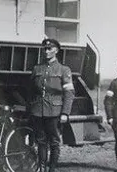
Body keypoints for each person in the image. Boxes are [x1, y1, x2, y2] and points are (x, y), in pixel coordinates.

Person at [28, 38, 75, 172]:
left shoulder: (63, 70)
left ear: (56, 51)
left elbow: (69, 93)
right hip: (38, 110)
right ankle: (42, 169)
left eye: (49, 49)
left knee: (54, 142)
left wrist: (65, 113)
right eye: (45, 49)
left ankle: (52, 169)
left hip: (54, 111)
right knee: (41, 141)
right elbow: (30, 91)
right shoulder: (37, 68)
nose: (46, 51)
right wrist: (30, 108)